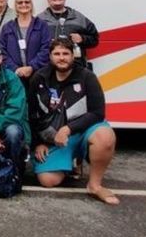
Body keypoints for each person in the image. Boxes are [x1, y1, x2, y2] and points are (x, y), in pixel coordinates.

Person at [29, 38, 119, 205]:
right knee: (48, 180)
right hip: (55, 138)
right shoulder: (39, 78)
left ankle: (95, 185)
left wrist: (69, 128)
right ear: (50, 56)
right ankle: (71, 160)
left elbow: (98, 113)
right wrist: (37, 143)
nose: (61, 58)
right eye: (57, 54)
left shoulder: (87, 77)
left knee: (105, 138)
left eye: (66, 54)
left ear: (73, 56)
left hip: (83, 130)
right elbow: (32, 115)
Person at [0, 0, 51, 90]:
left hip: (38, 74)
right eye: (20, 2)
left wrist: (31, 67)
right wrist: (15, 69)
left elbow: (46, 48)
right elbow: (1, 51)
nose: (24, 5)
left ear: (31, 5)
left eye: (27, 2)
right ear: (15, 6)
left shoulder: (41, 25)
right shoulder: (7, 27)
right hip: (14, 75)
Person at [38, 0, 99, 68]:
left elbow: (95, 39)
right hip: (49, 68)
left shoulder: (78, 17)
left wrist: (82, 39)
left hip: (76, 68)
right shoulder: (39, 20)